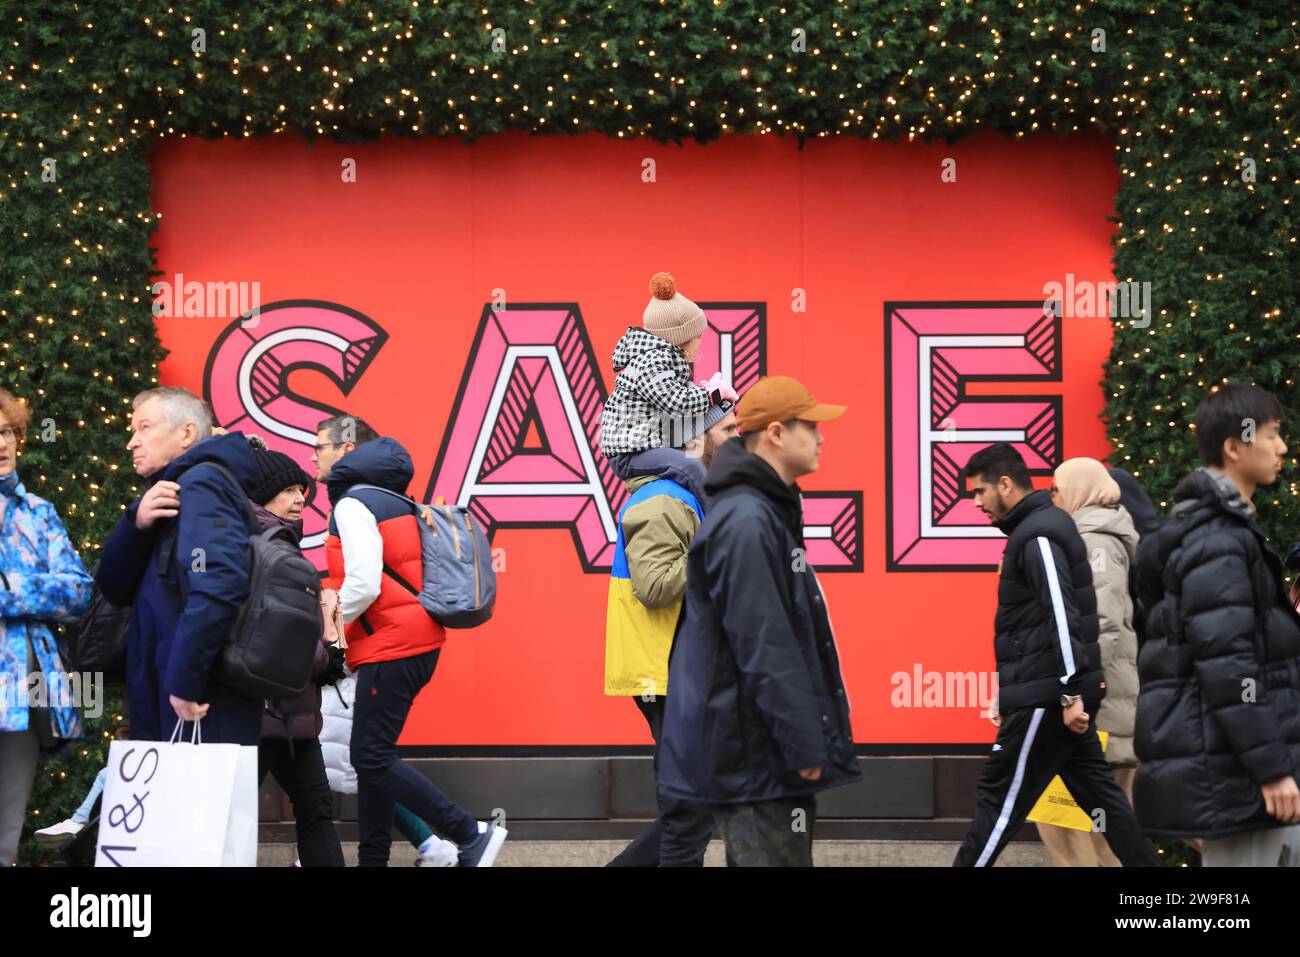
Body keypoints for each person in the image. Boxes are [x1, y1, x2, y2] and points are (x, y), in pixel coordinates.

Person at [658, 376, 860, 867]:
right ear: (774, 433)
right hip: (756, 756)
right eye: (810, 426)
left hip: (758, 752)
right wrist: (803, 745)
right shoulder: (748, 520)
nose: (821, 437)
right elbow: (764, 646)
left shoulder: (758, 510)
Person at [952, 442, 1157, 867]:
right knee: (1111, 811)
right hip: (1053, 695)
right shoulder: (1044, 528)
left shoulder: (1039, 533)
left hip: (1045, 700)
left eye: (979, 492)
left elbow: (1063, 617)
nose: (975, 503)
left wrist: (1068, 692)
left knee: (998, 804)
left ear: (1005, 484)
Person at [324, 428, 506, 867]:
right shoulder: (403, 505)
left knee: (370, 755)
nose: (318, 458)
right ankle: (373, 860)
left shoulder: (352, 504)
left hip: (390, 644)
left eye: (322, 448)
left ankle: (469, 832)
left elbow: (364, 583)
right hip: (418, 641)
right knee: (373, 758)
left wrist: (330, 627)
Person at [1135, 383, 1300, 866]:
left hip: (1230, 766)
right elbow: (1231, 669)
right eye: (1272, 435)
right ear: (1234, 446)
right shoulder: (1218, 541)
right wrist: (1271, 770)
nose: (1283, 447)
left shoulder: (1215, 531)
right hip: (1236, 775)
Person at [605, 402, 736, 867]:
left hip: (679, 669)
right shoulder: (664, 498)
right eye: (729, 429)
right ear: (696, 440)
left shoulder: (686, 494)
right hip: (665, 672)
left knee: (691, 809)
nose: (738, 438)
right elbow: (657, 586)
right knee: (692, 809)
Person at [97, 387, 264, 745]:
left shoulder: (201, 482)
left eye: (144, 428)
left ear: (187, 432)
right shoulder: (171, 490)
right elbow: (113, 586)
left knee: (200, 801)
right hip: (174, 690)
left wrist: (185, 680)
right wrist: (135, 524)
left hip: (197, 699)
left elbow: (219, 581)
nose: (132, 442)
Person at [239, 435, 347, 867]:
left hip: (286, 711)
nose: (300, 498)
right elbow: (279, 636)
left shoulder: (276, 540)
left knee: (315, 810)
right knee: (306, 812)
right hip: (266, 709)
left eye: (302, 489)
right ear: (264, 494)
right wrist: (326, 658)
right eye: (288, 490)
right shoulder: (267, 546)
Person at [0, 388, 93, 865]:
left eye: (6, 431)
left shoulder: (39, 513)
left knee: (6, 829)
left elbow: (78, 591)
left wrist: (11, 590)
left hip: (23, 689)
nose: (1, 443)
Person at [1035, 457, 1141, 867]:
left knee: (1078, 828)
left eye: (1057, 488)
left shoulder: (1095, 539)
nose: (1052, 497)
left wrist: (1073, 691)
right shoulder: (1092, 534)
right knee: (1094, 828)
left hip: (1095, 707)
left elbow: (1100, 622)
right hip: (1100, 702)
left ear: (1079, 489)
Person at [599, 272, 737, 485]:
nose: (699, 345)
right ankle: (712, 514)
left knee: (687, 462)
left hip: (641, 447)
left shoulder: (663, 361)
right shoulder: (652, 361)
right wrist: (710, 395)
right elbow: (675, 402)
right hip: (629, 454)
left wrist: (702, 396)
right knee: (689, 465)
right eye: (696, 338)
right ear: (679, 340)